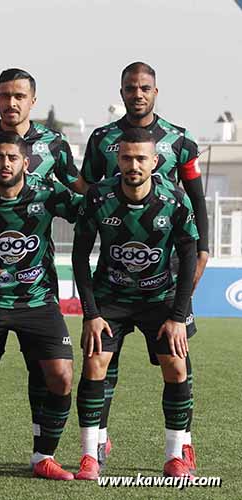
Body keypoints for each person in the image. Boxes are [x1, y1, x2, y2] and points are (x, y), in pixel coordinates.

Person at [0, 67, 86, 470]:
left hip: (36, 290)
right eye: (4, 95)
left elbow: (79, 193)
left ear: (32, 100)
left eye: (19, 96)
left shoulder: (54, 144)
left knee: (54, 375)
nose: (11, 103)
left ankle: (44, 456)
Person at [80, 62, 207, 470]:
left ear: (156, 91)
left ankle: (180, 446)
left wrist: (201, 249)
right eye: (131, 87)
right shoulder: (102, 140)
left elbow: (196, 196)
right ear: (121, 92)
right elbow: (90, 190)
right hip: (116, 271)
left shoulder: (180, 140)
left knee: (176, 357)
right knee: (104, 362)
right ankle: (96, 441)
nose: (138, 93)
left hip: (165, 270)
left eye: (145, 87)